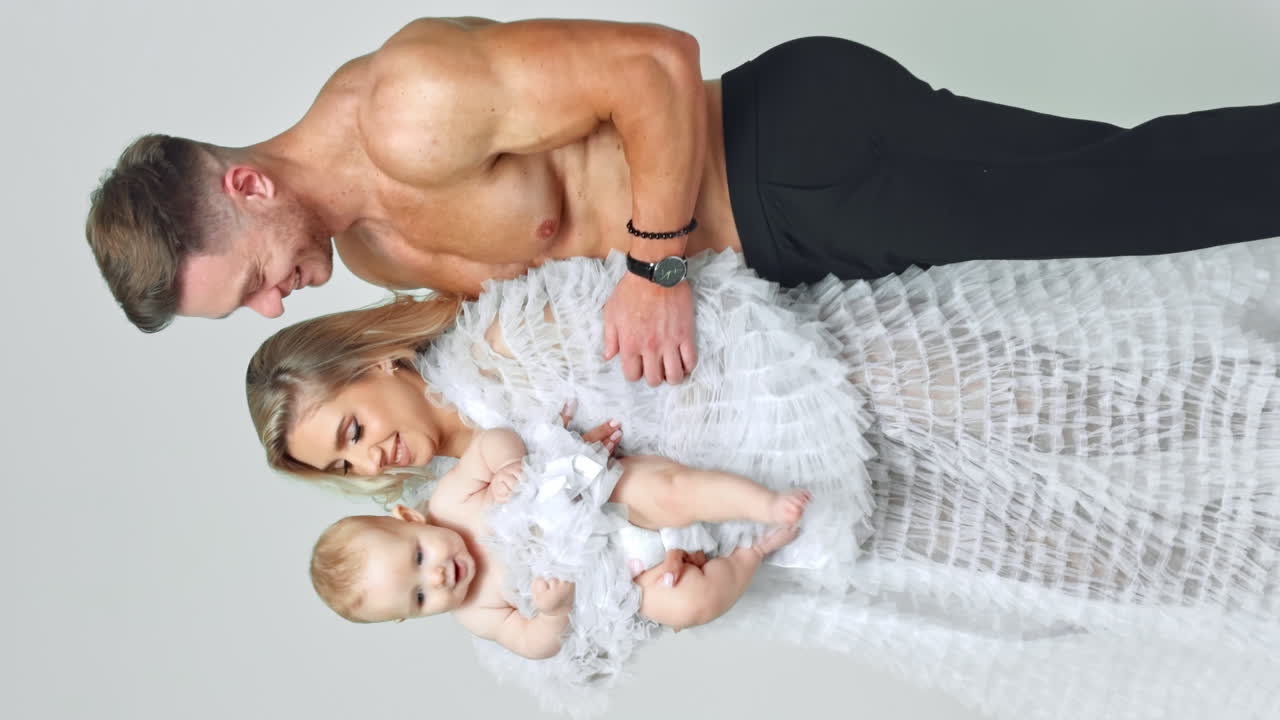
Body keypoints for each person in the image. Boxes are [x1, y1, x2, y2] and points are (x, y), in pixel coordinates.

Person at [247, 244, 1280, 719]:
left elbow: (670, 318)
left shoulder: (502, 341)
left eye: (347, 429)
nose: (365, 456)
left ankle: (1252, 400)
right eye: (338, 465)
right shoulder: (464, 535)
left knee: (1065, 404)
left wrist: (610, 468)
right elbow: (571, 648)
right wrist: (634, 588)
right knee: (1062, 558)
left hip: (826, 389)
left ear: (370, 363)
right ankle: (1242, 559)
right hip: (805, 533)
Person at [89, 19, 1280, 385]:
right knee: (1102, 283)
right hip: (779, 254)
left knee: (1106, 204)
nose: (270, 303)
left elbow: (654, 66)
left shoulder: (406, 104)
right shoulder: (377, 252)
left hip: (789, 153)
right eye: (246, 311)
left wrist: (654, 269)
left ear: (246, 185)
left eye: (247, 280)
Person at [307, 425, 808, 659]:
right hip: (629, 573)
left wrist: (505, 469)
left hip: (606, 503)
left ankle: (760, 505)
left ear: (408, 516)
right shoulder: (476, 612)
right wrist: (551, 614)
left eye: (418, 556)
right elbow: (532, 645)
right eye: (419, 597)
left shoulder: (453, 499)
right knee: (686, 604)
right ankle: (751, 554)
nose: (437, 577)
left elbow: (492, 440)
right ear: (410, 618)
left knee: (669, 491)